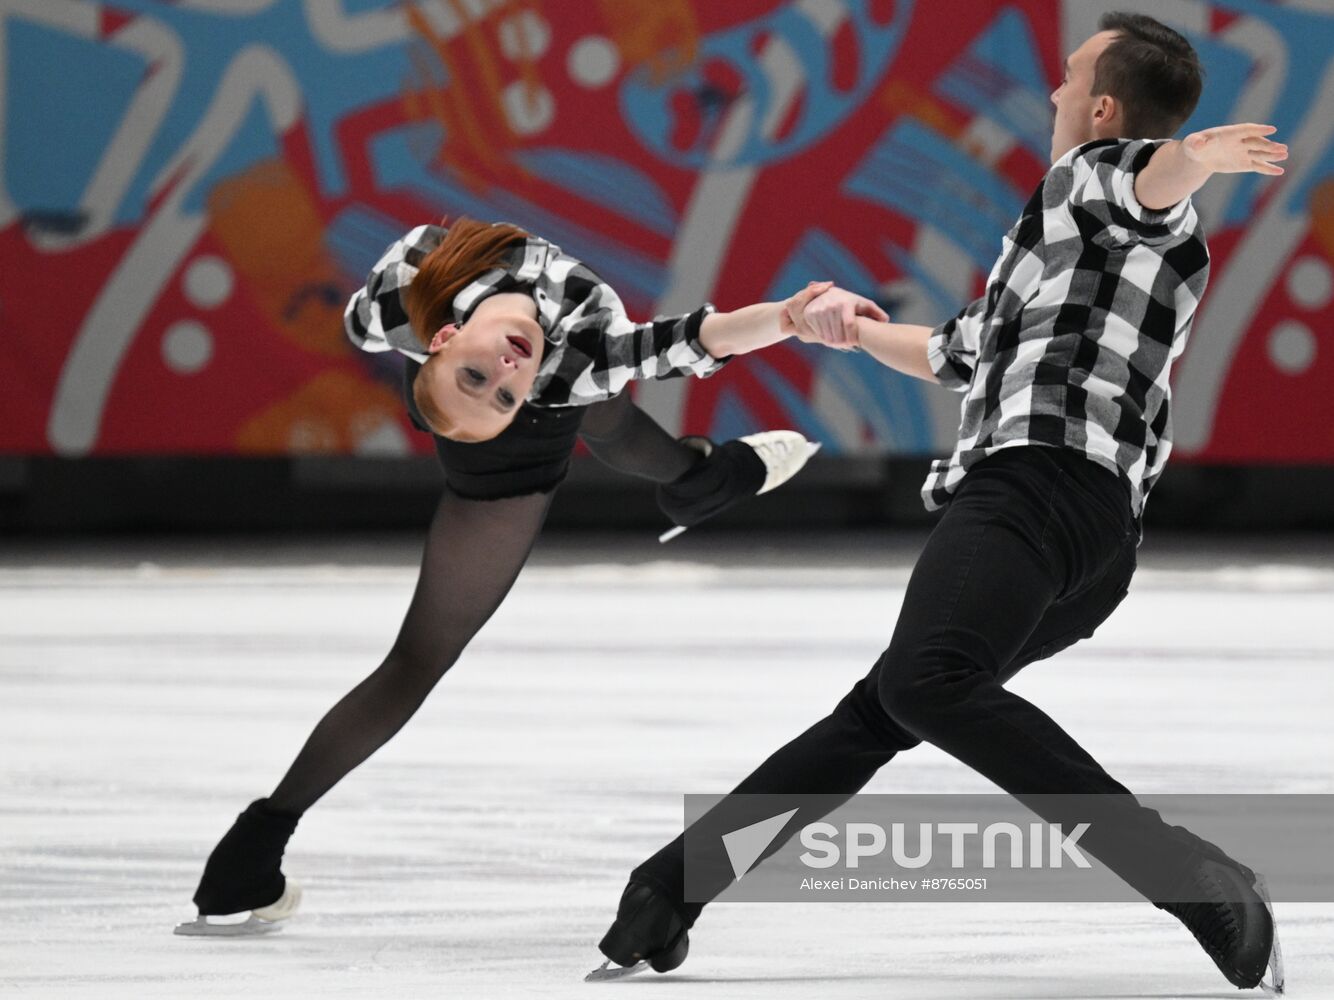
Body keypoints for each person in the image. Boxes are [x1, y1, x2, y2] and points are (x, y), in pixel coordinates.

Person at [596, 13, 1287, 992]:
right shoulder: (1055, 242)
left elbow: (1151, 179)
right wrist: (844, 330)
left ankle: (1189, 875)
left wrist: (1195, 156)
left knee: (924, 686)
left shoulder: (1097, 177)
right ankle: (670, 887)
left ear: (1098, 107)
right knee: (886, 705)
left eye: (1066, 80)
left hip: (1035, 488)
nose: (1050, 94)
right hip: (1086, 538)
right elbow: (953, 354)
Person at [174, 217, 859, 936]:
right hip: (507, 457)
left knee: (603, 402)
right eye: (499, 388)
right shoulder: (563, 367)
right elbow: (697, 339)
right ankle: (254, 846)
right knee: (418, 660)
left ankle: (696, 477)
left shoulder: (416, 279)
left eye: (486, 376)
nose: (505, 370)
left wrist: (437, 353)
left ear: (442, 339)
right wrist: (786, 319)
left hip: (470, 372)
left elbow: (359, 321)